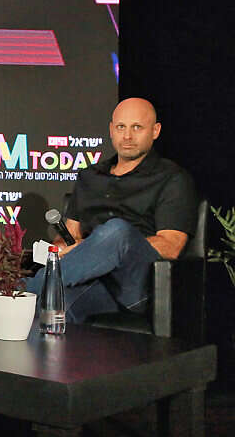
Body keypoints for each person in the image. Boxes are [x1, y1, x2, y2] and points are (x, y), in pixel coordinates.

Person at [24, 97, 197, 323]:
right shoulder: (89, 177)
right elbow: (69, 236)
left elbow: (171, 246)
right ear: (111, 130)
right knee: (56, 304)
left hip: (136, 286)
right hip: (90, 280)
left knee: (117, 232)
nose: (127, 136)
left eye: (137, 127)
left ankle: (21, 292)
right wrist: (65, 248)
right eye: (121, 127)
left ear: (155, 131)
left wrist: (99, 246)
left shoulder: (172, 178)